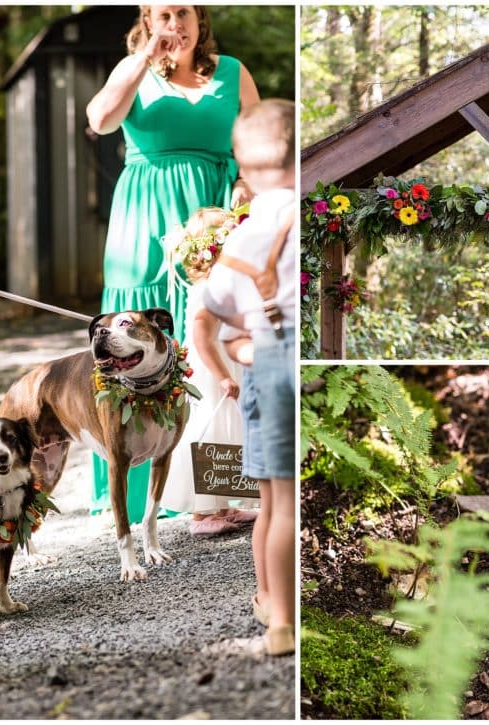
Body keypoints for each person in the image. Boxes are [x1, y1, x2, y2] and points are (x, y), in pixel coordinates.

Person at [85, 5, 259, 522]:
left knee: (209, 344)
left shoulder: (230, 71)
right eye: (164, 13)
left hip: (212, 212)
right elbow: (100, 119)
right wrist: (144, 58)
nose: (175, 23)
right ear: (148, 17)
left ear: (199, 18)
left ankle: (209, 491)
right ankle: (135, 490)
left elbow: (253, 142)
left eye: (184, 12)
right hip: (144, 220)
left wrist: (245, 189)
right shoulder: (131, 67)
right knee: (136, 340)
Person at [205, 99, 296, 656]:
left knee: (274, 502)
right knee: (285, 502)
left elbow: (213, 309)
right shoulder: (308, 212)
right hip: (298, 358)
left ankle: (279, 619)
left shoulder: (242, 234)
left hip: (265, 358)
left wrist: (242, 337)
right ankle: (278, 608)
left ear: (242, 161)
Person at [159, 208, 258, 534]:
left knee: (230, 427)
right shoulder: (208, 288)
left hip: (226, 362)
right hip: (210, 367)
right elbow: (202, 338)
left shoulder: (224, 283)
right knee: (211, 426)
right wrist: (223, 375)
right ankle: (202, 514)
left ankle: (225, 503)